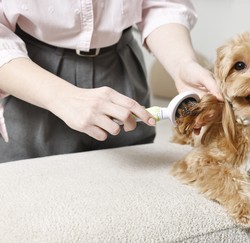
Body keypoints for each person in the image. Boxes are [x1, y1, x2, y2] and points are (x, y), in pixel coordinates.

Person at [0, 1, 221, 163]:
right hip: (28, 74)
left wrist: (182, 63)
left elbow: (160, 5)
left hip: (120, 65)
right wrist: (60, 96)